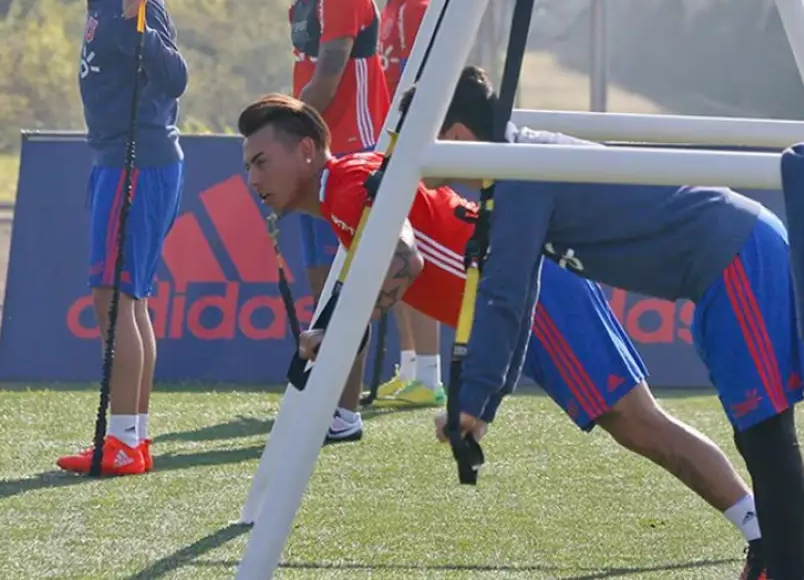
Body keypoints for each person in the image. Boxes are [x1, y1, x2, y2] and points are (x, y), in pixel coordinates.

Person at [237, 93, 772, 580]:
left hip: (530, 297)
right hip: (524, 297)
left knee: (638, 424)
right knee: (637, 425)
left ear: (306, 150)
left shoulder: (348, 185)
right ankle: (763, 531)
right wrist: (334, 328)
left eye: (261, 161)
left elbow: (403, 257)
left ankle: (766, 535)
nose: (253, 179)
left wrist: (342, 329)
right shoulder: (343, 191)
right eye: (246, 167)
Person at [410, 67, 804, 580]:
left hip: (738, 255)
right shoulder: (509, 171)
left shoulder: (518, 174)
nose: (411, 158)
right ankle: (774, 561)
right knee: (758, 438)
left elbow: (504, 298)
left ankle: (785, 569)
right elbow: (519, 300)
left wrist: (474, 401)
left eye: (420, 138)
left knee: (767, 437)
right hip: (722, 266)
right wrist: (481, 402)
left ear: (458, 137)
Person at [33, 0, 188, 476]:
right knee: (128, 299)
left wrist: (138, 26)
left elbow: (175, 78)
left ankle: (124, 441)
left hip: (136, 163)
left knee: (114, 298)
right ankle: (131, 437)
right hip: (117, 163)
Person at [285, 0, 392, 439]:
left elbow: (326, 80)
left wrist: (281, 136)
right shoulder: (304, 0)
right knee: (321, 286)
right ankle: (329, 400)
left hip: (351, 162)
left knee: (344, 291)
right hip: (316, 161)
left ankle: (345, 413)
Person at [357, 0, 442, 408]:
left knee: (413, 253)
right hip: (391, 143)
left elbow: (425, 83)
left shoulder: (421, 4)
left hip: (413, 144)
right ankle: (411, 367)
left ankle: (429, 375)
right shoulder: (392, 4)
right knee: (396, 251)